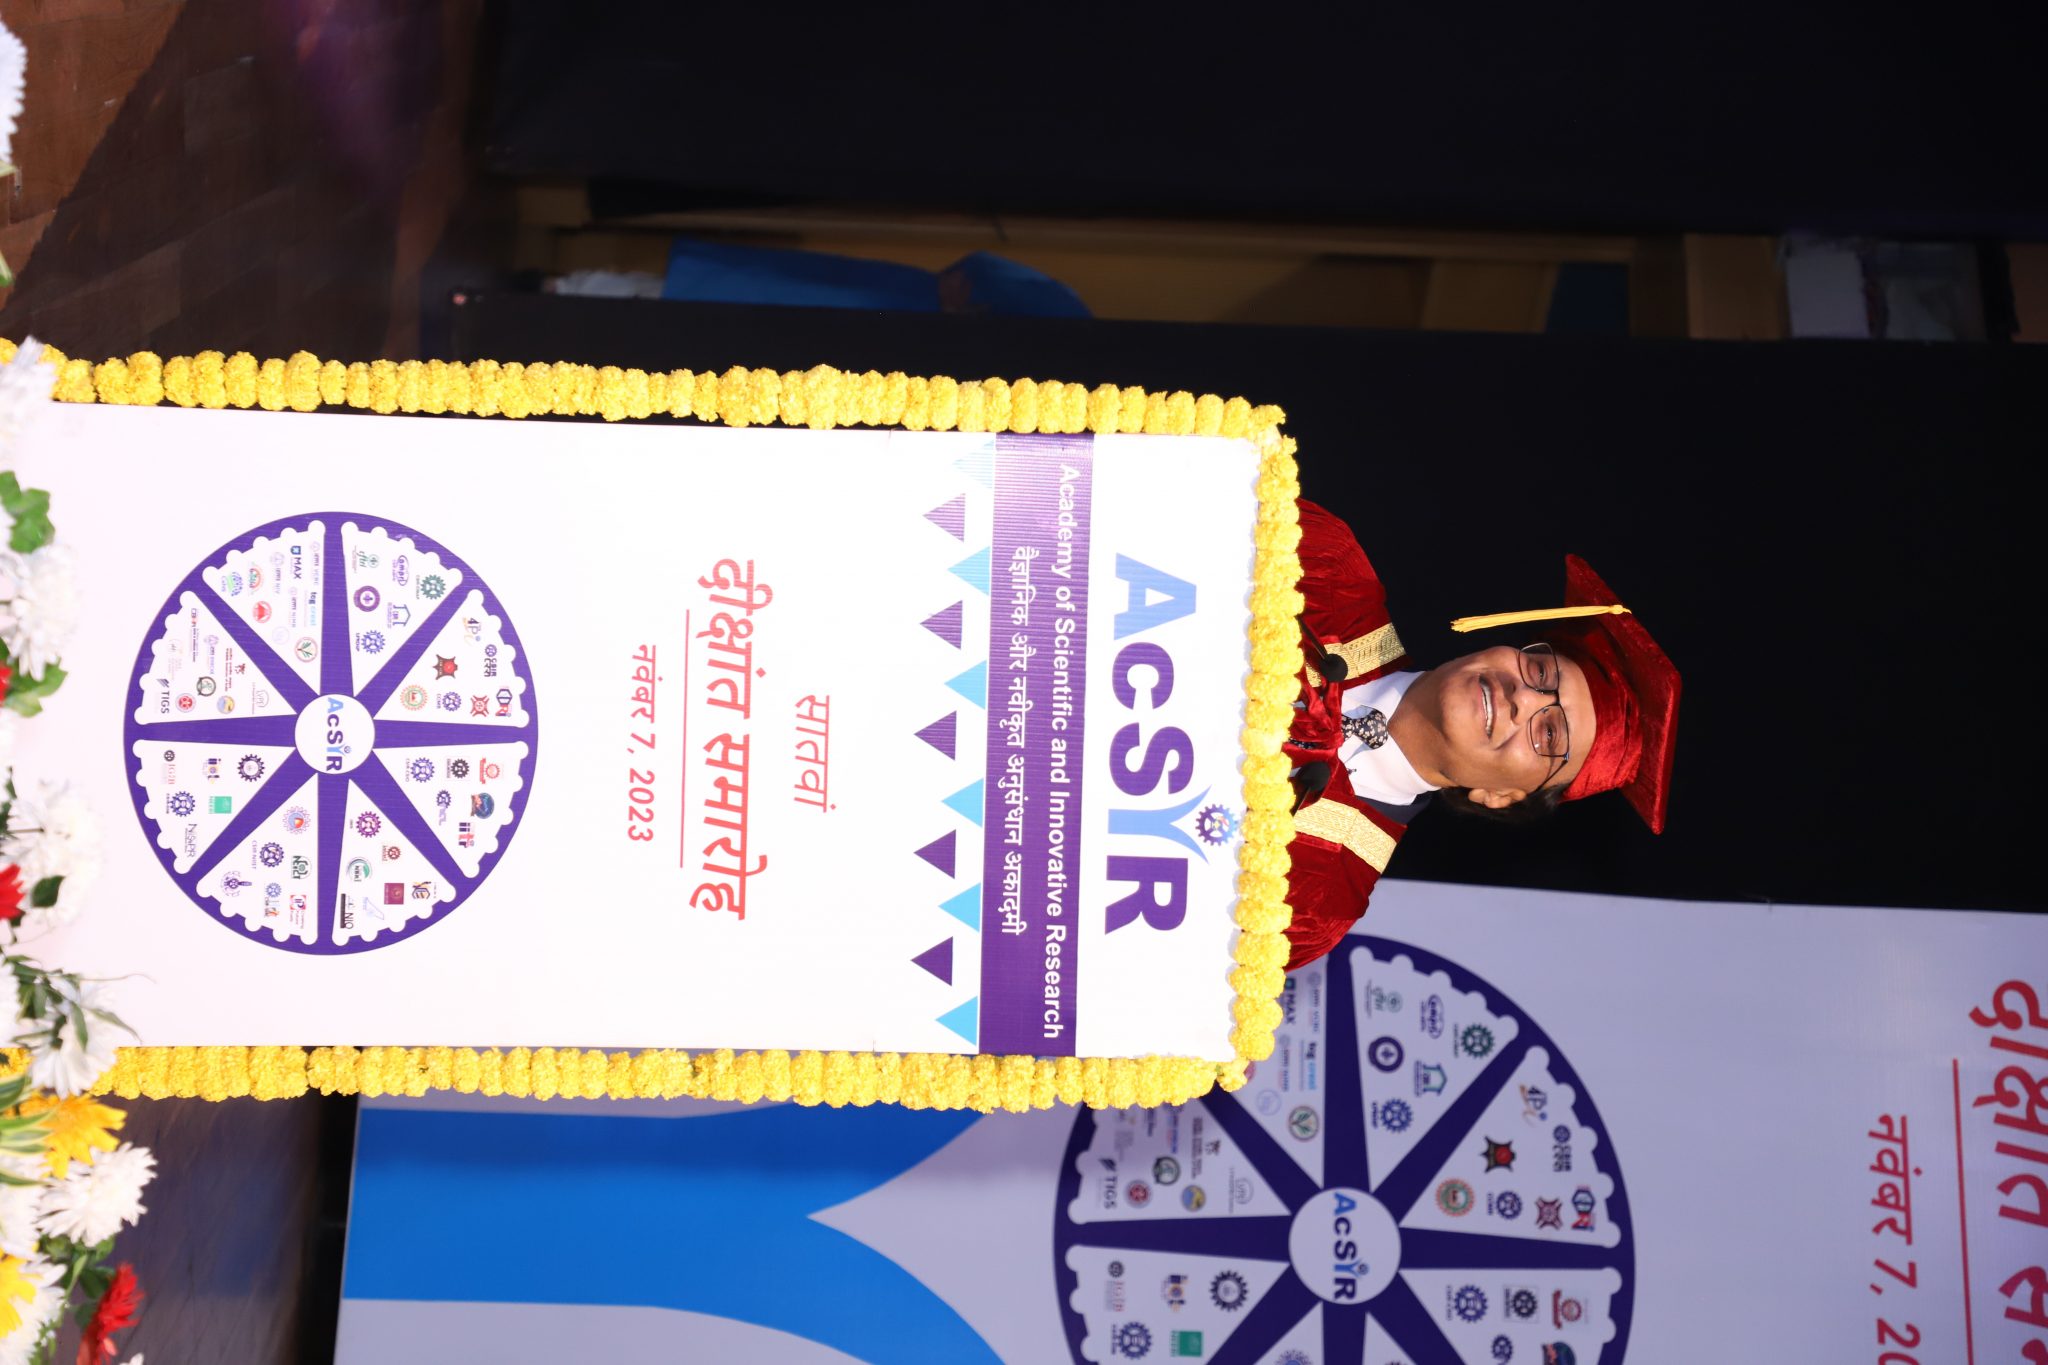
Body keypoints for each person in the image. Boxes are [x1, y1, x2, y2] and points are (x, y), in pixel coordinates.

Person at [1281, 500, 1681, 970]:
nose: (1524, 698)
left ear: (1500, 797)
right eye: (1540, 671)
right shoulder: (1324, 568)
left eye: (1549, 734)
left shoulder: (1314, 900)